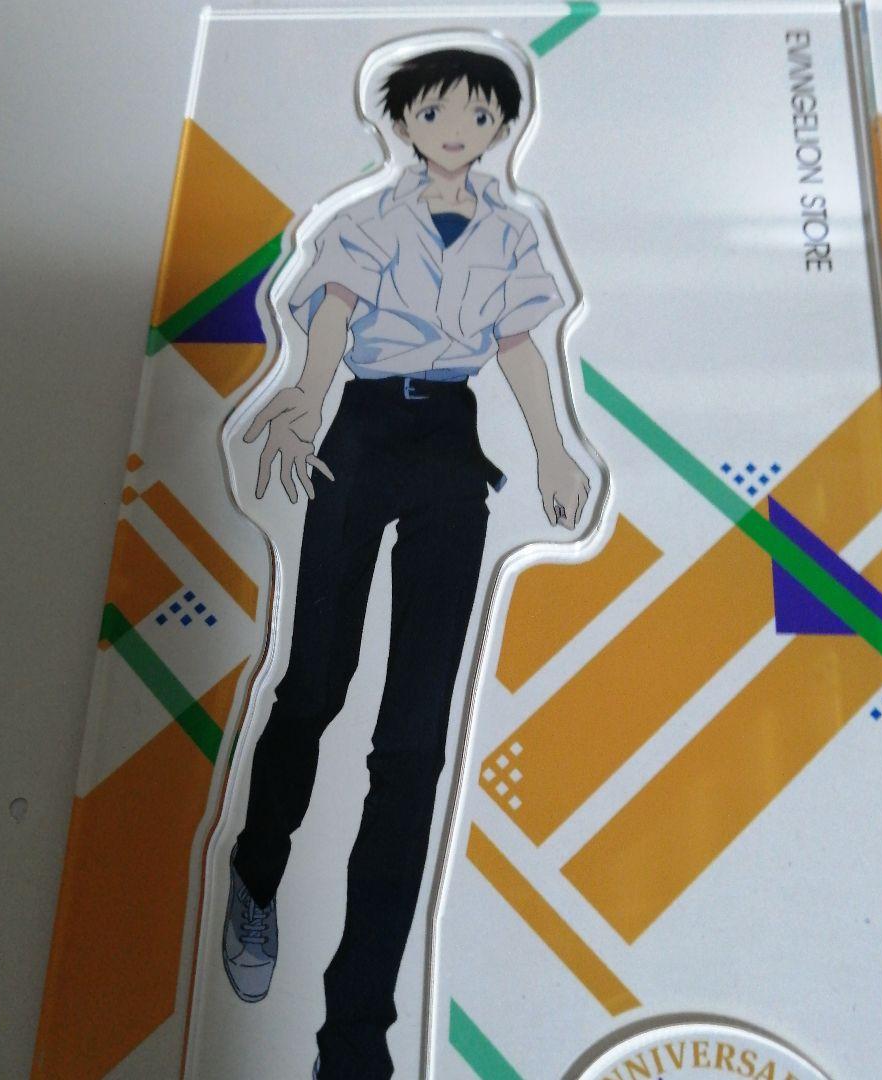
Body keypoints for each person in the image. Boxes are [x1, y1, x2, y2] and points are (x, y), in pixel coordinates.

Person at [222, 46, 589, 1079]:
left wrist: (555, 450)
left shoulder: (512, 230)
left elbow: (518, 345)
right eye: (435, 112)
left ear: (502, 125)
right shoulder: (369, 218)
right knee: (314, 681)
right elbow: (334, 309)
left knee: (414, 737)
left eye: (476, 114)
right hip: (364, 429)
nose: (456, 129)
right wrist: (304, 394)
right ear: (403, 121)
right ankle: (256, 873)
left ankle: (357, 1038)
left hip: (448, 447)